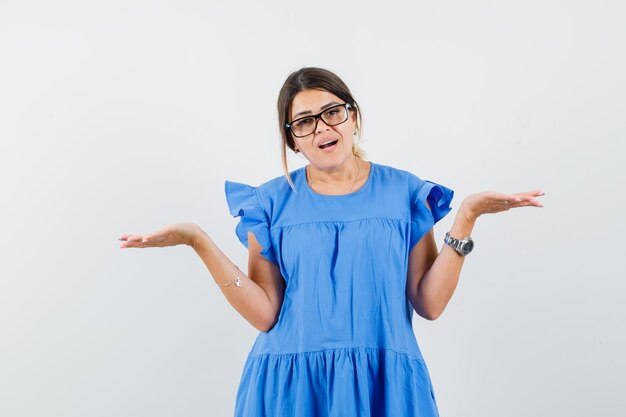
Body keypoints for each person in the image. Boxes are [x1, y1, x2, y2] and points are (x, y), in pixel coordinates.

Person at [119, 67, 544, 416]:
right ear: (293, 140)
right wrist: (198, 241)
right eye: (304, 122)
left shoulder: (405, 194)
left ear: (353, 117)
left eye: (332, 112)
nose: (322, 127)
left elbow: (428, 303)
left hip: (385, 386)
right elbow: (265, 313)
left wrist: (466, 218)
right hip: (290, 390)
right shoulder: (268, 203)